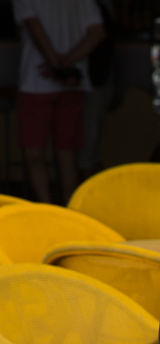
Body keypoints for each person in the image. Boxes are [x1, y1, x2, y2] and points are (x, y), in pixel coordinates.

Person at [12, 0, 105, 202]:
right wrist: (67, 64)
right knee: (67, 154)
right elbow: (96, 33)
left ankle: (47, 209)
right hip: (72, 82)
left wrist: (56, 65)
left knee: (35, 153)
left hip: (35, 82)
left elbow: (35, 30)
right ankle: (68, 210)